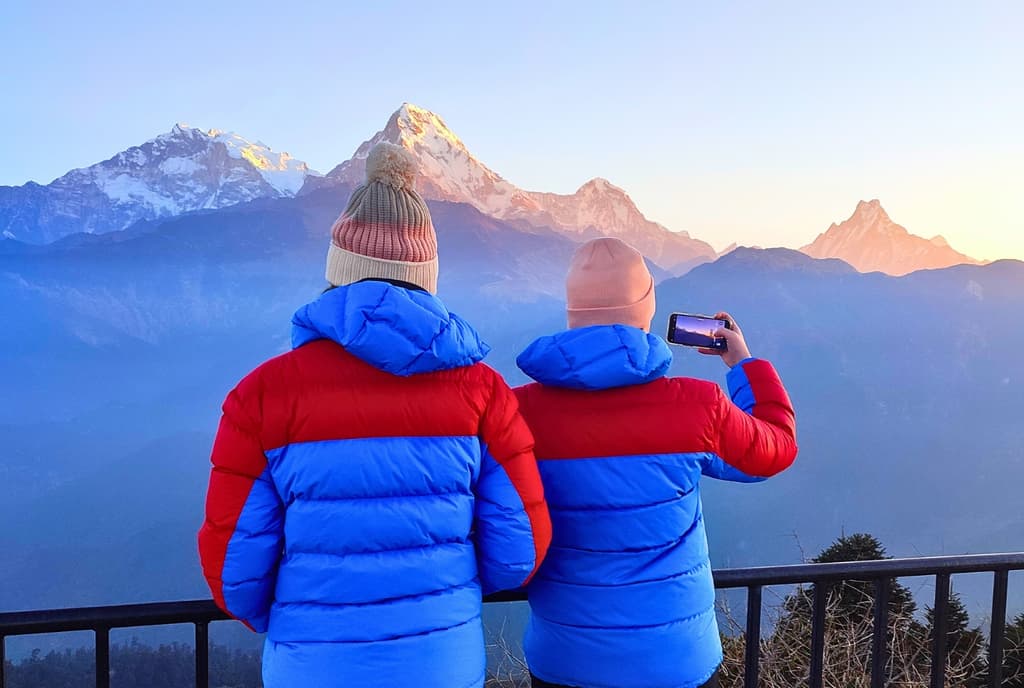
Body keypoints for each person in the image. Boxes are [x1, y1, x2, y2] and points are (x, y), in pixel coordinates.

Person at [198, 142, 551, 688]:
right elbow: (518, 551)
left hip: (311, 668)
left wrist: (297, 617)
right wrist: (445, 586)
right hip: (442, 665)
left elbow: (233, 575)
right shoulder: (485, 393)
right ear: (427, 274)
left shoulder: (261, 396)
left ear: (339, 271)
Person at [514, 237, 798, 688]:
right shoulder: (696, 407)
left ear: (571, 314)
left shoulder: (518, 412)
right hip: (676, 662)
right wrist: (742, 361)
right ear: (646, 311)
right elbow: (774, 449)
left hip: (566, 659)